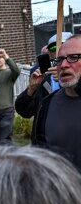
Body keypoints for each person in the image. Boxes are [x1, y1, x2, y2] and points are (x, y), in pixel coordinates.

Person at [33, 34, 81, 171]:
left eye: (73, 57)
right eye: (59, 60)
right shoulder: (46, 104)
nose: (64, 65)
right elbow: (40, 153)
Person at [15, 32, 73, 143]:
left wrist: (64, 81)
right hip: (45, 143)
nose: (58, 54)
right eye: (53, 49)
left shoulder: (76, 78)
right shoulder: (43, 78)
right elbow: (24, 111)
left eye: (65, 49)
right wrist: (31, 89)